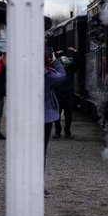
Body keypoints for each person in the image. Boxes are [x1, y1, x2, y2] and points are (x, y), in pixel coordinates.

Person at [43, 49, 66, 197]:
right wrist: (55, 60)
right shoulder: (47, 74)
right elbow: (62, 76)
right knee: (40, 152)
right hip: (44, 116)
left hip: (26, 116)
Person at [52, 48, 78, 139]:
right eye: (64, 64)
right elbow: (51, 61)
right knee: (57, 115)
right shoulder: (55, 70)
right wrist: (55, 53)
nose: (65, 66)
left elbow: (76, 63)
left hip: (68, 95)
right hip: (58, 95)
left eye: (67, 65)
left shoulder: (70, 70)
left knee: (69, 115)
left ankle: (67, 131)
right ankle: (57, 131)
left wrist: (75, 52)